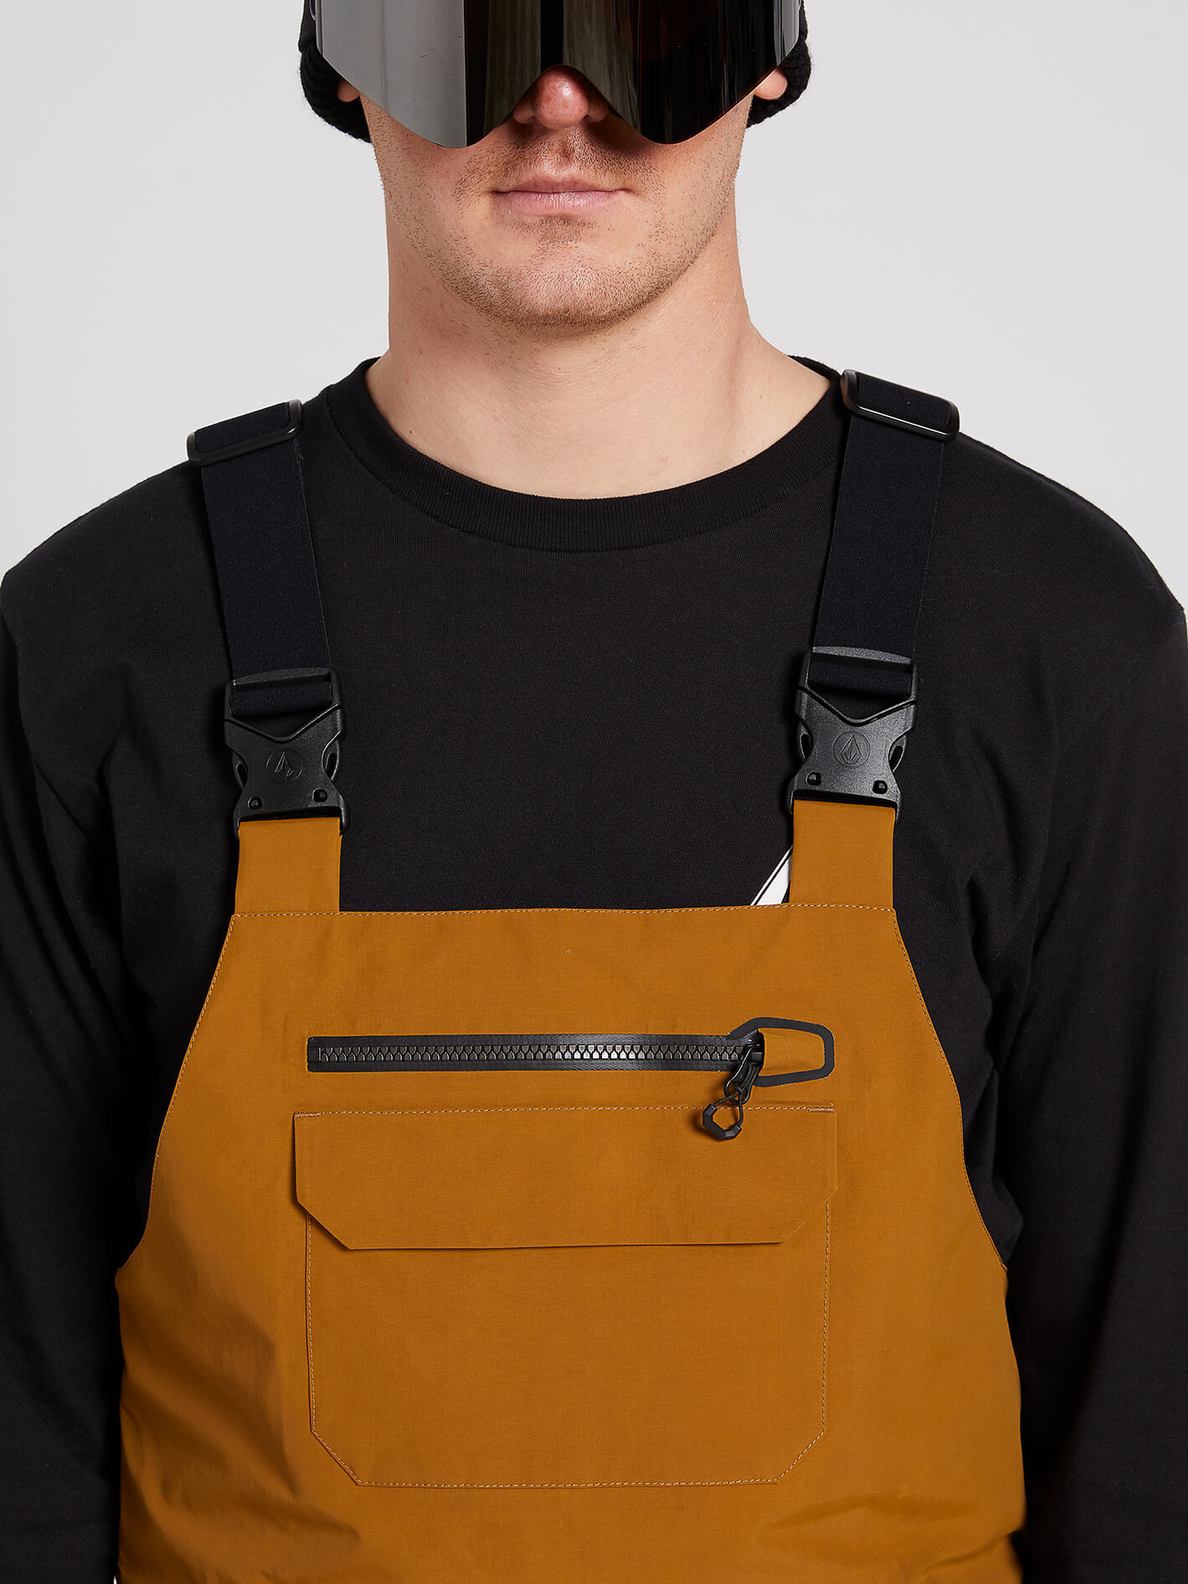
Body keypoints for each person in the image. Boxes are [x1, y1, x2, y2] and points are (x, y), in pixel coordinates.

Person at [1, 3, 1184, 1580]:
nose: (561, 98)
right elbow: (17, 1445)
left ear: (770, 53)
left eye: (651, 21)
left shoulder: (1054, 632)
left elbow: (1152, 1435)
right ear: (342, 54)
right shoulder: (95, 646)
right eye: (471, 23)